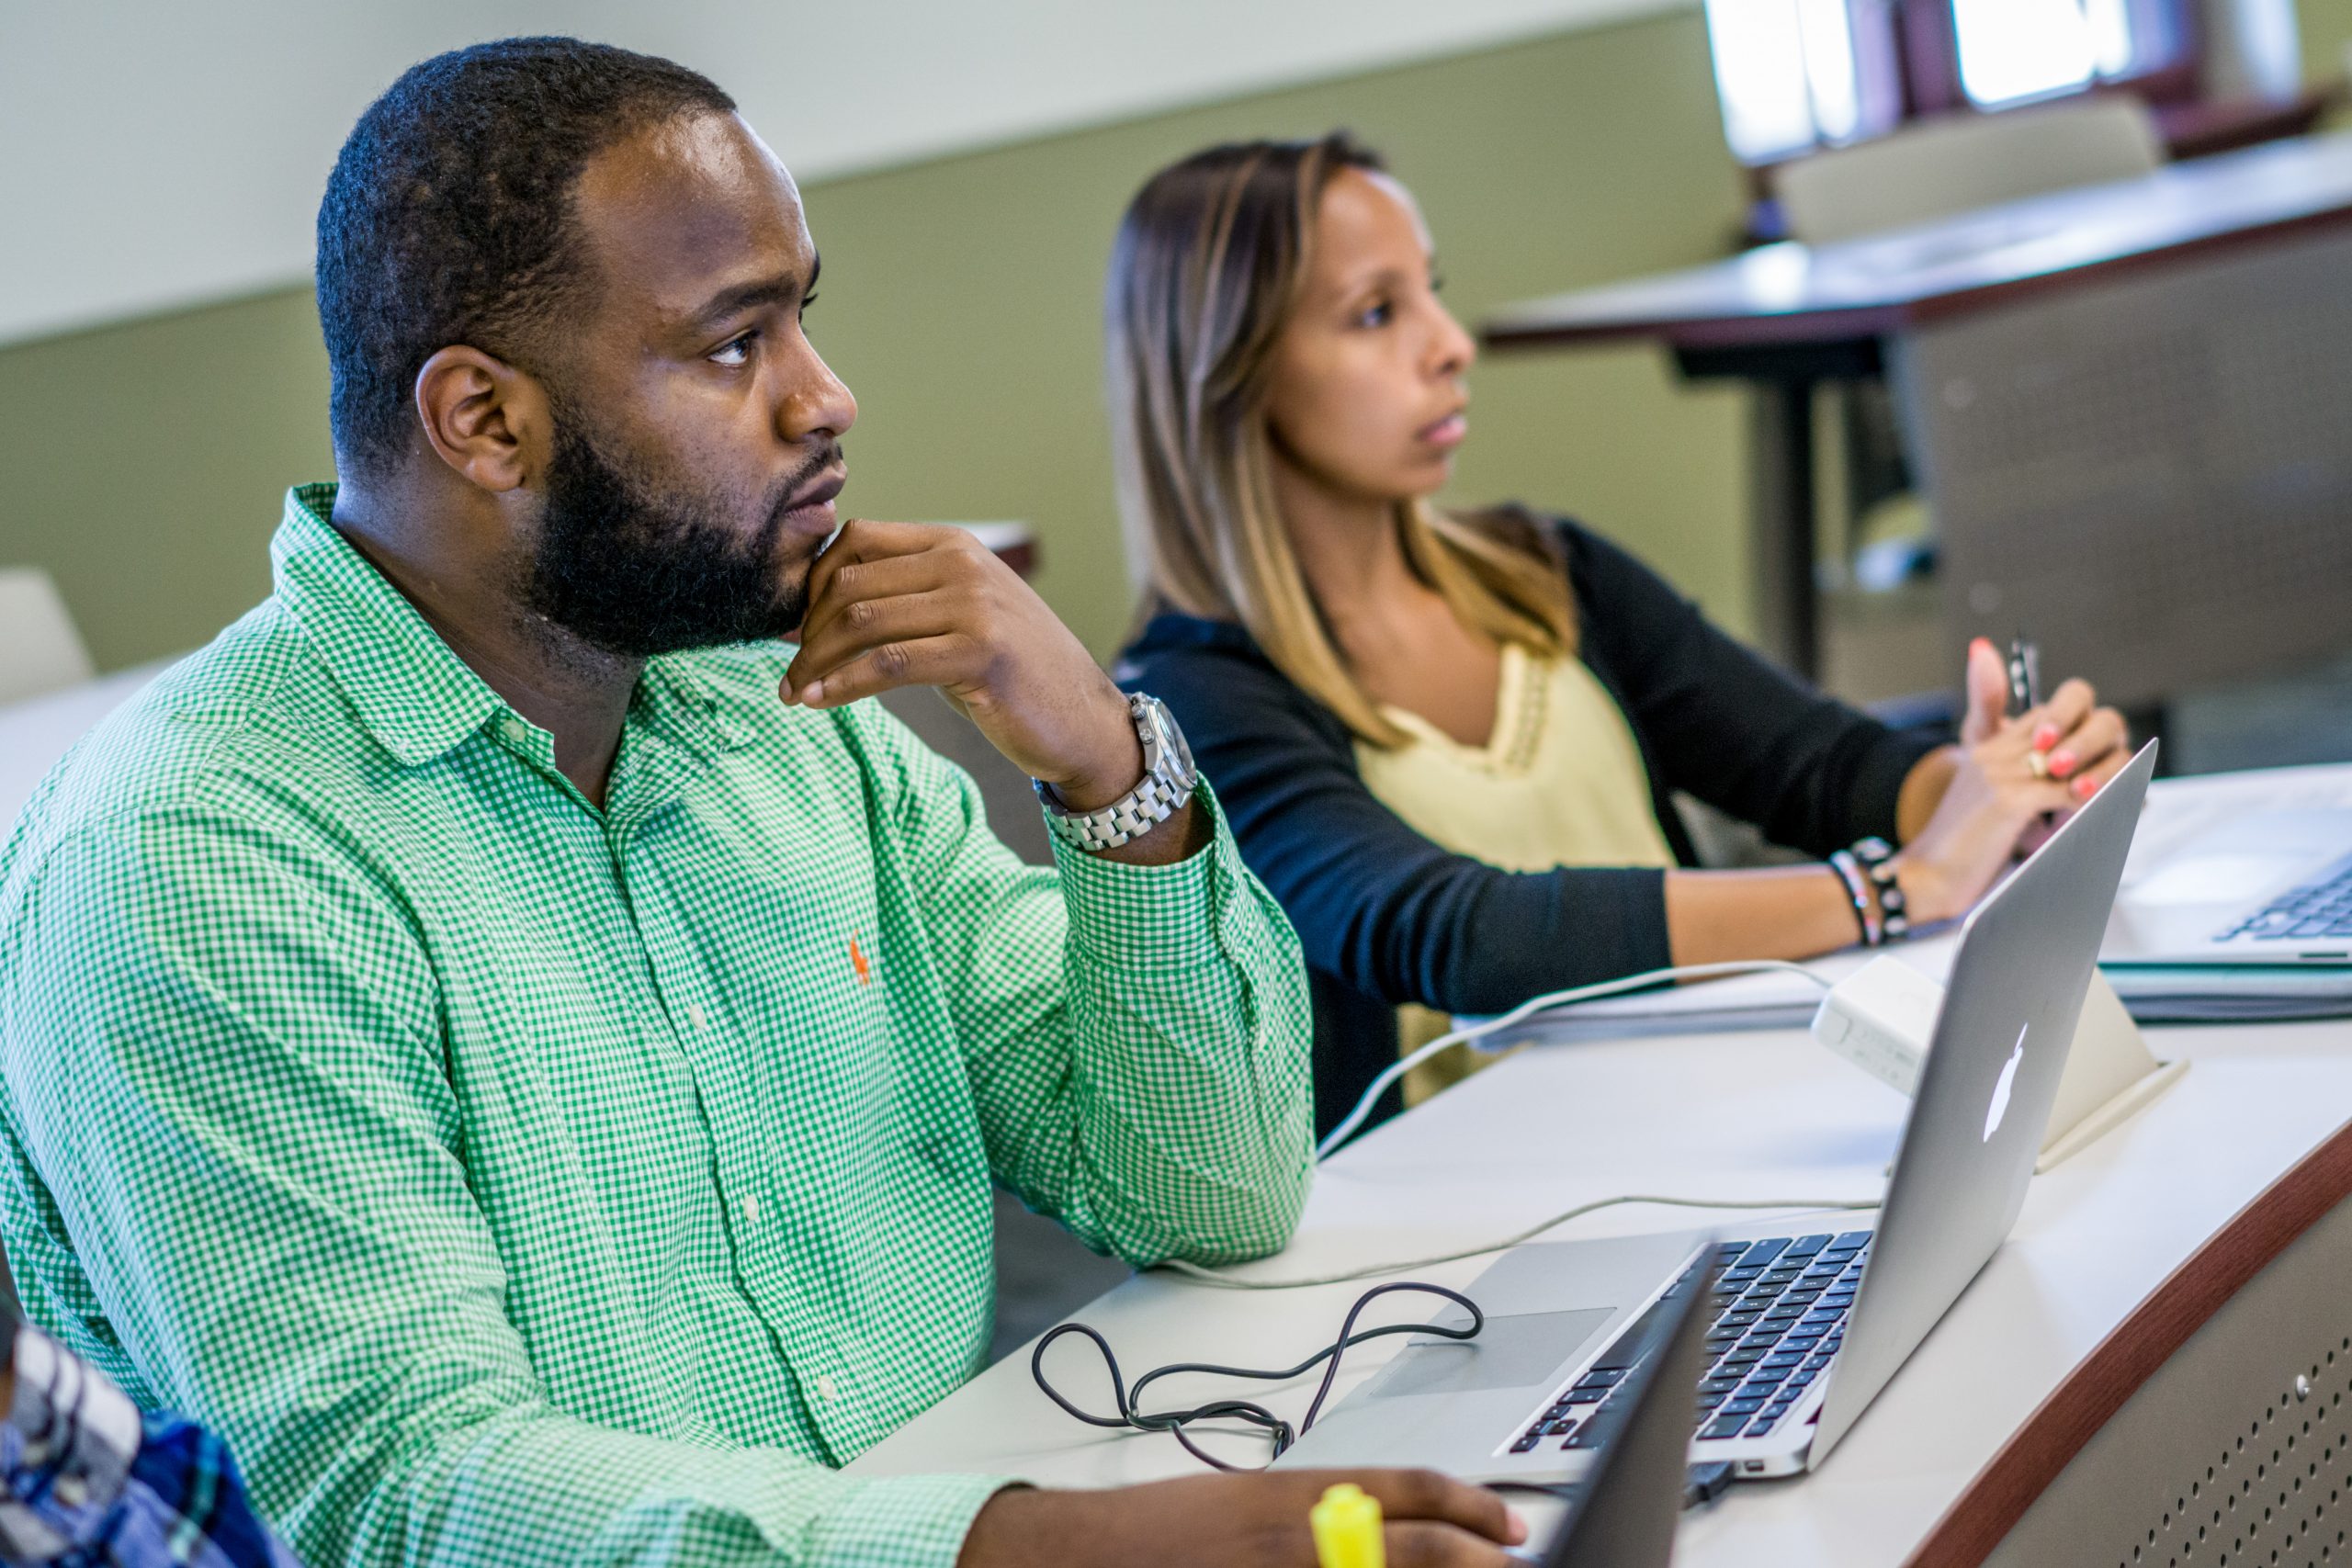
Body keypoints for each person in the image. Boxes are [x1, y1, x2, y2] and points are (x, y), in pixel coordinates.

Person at [0, 46, 1526, 1568]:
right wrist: (1049, 1551)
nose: (826, 396)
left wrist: (1106, 769)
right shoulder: (195, 862)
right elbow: (406, 1495)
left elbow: (1209, 1195)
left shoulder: (781, 719)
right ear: (482, 422)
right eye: (735, 345)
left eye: (806, 315)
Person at [1107, 134, 2132, 1138]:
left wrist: (1994, 796)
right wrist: (1892, 891)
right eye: (1376, 313)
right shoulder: (1191, 696)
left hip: (1707, 1108)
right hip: (1456, 1217)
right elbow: (1455, 936)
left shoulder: (1545, 570)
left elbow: (1814, 765)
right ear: (1229, 377)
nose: (1448, 343)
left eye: (1430, 290)